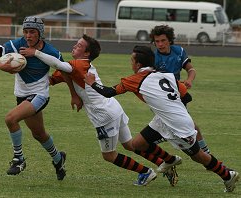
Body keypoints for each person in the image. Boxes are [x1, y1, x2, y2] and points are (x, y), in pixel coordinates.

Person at [18, 34, 179, 186]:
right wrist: (22, 67)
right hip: (113, 107)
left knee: (109, 155)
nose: (75, 45)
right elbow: (52, 78)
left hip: (104, 115)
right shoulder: (74, 67)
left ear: (87, 53)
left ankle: (146, 172)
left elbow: (58, 64)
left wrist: (35, 52)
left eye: (79, 45)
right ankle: (165, 161)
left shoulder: (80, 64)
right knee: (130, 145)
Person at [84, 45, 239, 193]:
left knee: (198, 156)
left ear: (138, 64)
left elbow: (109, 92)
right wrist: (174, 109)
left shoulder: (134, 79)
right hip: (164, 119)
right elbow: (187, 96)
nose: (131, 64)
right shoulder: (167, 75)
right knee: (137, 144)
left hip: (178, 125)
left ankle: (227, 175)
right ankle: (170, 160)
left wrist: (92, 83)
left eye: (132, 61)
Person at [0, 16, 70, 180]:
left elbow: (65, 71)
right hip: (22, 96)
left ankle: (19, 159)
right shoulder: (16, 44)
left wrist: (74, 95)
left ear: (40, 33)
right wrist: (3, 66)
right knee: (39, 134)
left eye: (32, 32)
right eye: (25, 31)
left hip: (40, 96)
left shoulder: (51, 51)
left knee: (10, 119)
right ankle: (59, 159)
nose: (28, 36)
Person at [150, 25, 210, 154]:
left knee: (186, 126)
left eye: (163, 40)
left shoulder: (179, 51)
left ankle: (205, 153)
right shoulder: (153, 58)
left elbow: (191, 70)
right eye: (157, 41)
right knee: (187, 127)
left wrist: (189, 80)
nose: (160, 44)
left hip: (178, 96)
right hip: (162, 99)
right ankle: (205, 154)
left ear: (170, 40)